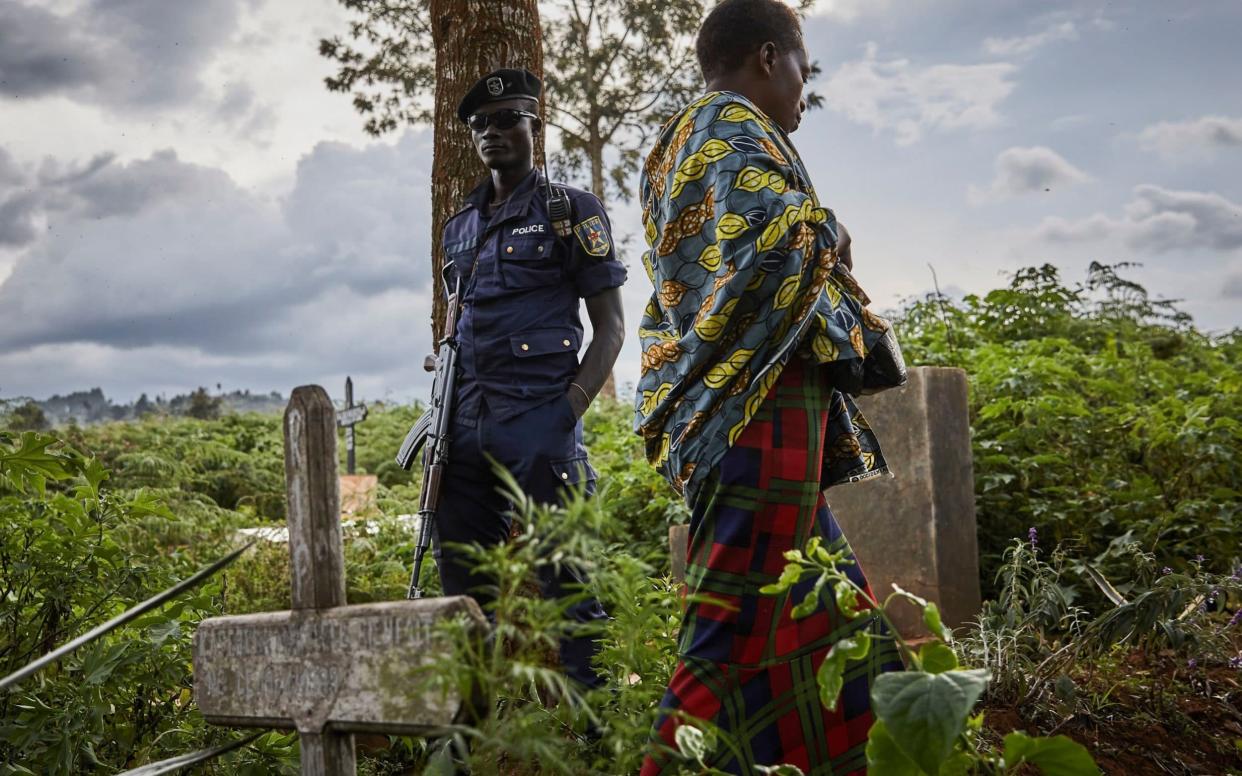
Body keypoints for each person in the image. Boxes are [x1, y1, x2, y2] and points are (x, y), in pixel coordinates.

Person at [634, 1, 906, 772]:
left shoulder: (677, 142)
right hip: (761, 412)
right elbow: (773, 248)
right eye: (801, 71)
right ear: (766, 56)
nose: (801, 95)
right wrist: (832, 231)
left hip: (738, 408)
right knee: (725, 637)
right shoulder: (731, 129)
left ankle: (887, 754)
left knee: (830, 613)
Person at [433, 68, 627, 691]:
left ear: (534, 127)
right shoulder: (458, 227)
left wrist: (564, 413)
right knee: (461, 593)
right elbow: (455, 327)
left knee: (570, 588)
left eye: (507, 119)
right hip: (463, 430)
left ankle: (599, 735)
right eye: (480, 125)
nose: (492, 133)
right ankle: (467, 741)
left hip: (539, 422)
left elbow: (612, 330)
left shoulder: (569, 210)